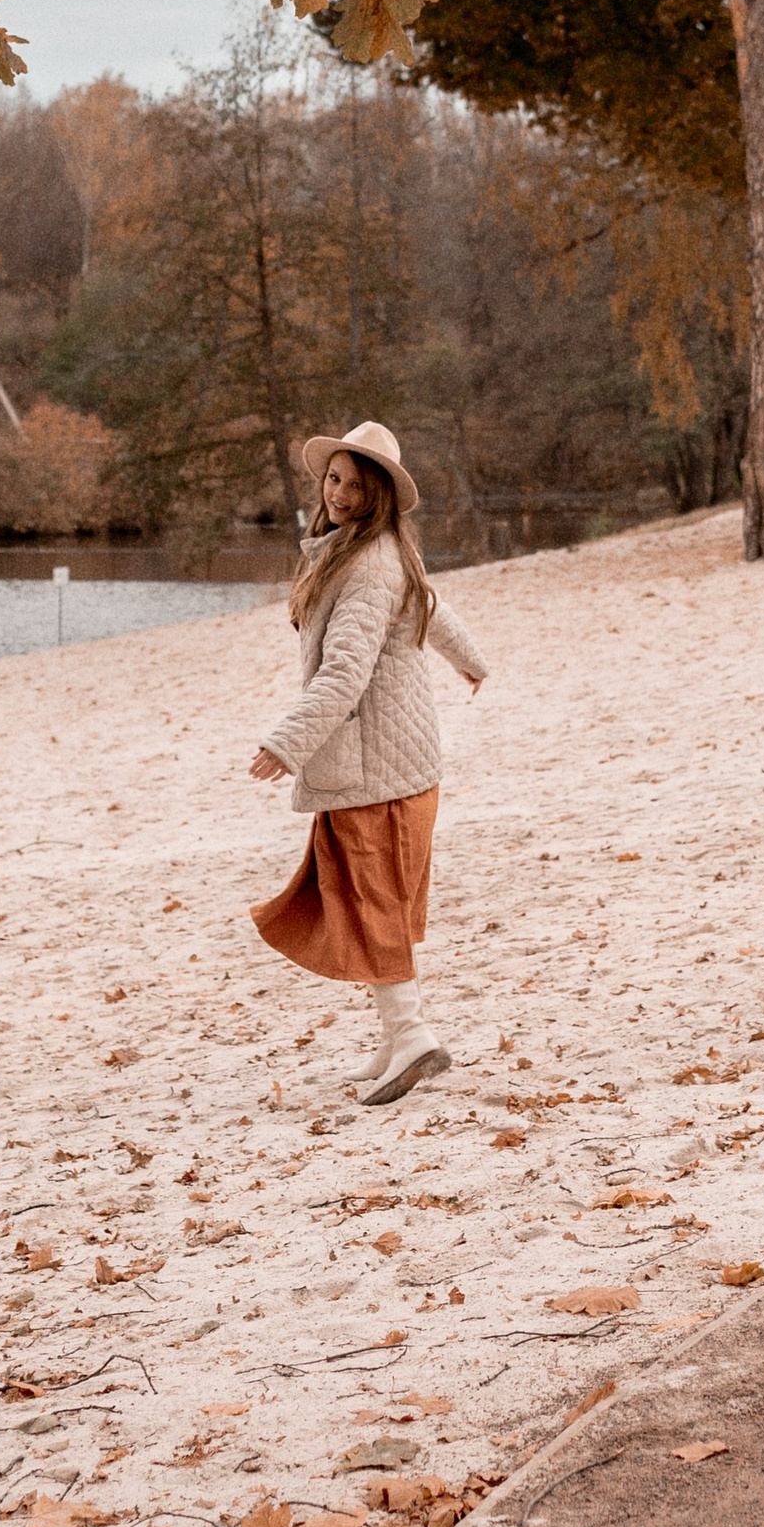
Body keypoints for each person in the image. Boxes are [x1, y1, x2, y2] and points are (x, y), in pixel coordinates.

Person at [247, 420, 488, 1104]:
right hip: (392, 763)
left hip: (373, 769)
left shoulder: (369, 565)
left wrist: (284, 743)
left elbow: (344, 673)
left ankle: (412, 1035)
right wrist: (472, 661)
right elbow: (433, 611)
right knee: (366, 898)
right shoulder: (368, 554)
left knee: (372, 900)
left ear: (379, 494)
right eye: (334, 478)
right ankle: (394, 1036)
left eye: (356, 484)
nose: (341, 493)